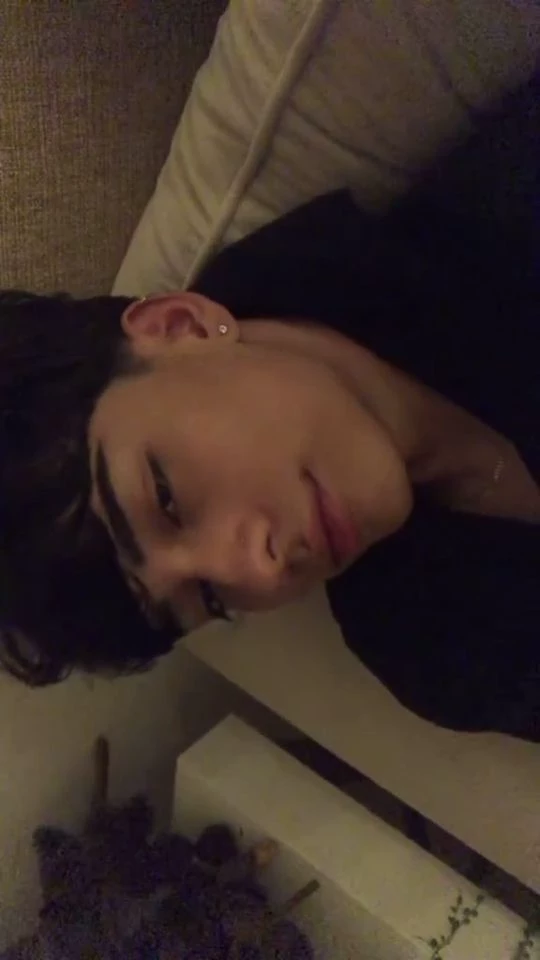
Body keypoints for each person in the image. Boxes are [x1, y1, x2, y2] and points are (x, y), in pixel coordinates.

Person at [0, 69, 538, 741]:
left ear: (180, 326)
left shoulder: (511, 212)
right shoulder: (436, 647)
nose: (260, 570)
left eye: (166, 498)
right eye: (209, 600)